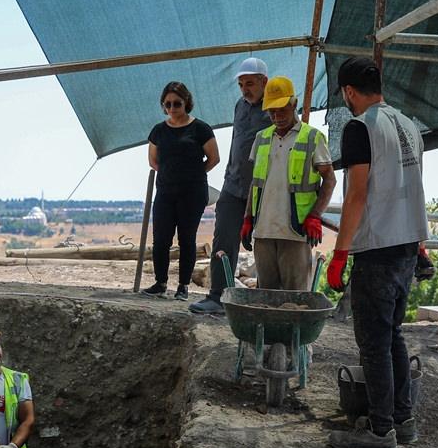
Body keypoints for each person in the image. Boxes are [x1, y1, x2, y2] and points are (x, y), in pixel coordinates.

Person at [325, 57, 429, 448]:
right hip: (406, 247)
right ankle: (402, 420)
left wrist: (340, 253)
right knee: (392, 337)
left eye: (345, 96)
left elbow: (356, 193)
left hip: (378, 248)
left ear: (350, 92)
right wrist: (420, 244)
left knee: (373, 342)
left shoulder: (360, 127)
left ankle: (380, 429)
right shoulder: (408, 124)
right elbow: (413, 186)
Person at [190, 57, 271, 315]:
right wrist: (227, 176)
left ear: (264, 82)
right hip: (233, 186)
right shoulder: (240, 106)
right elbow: (237, 143)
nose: (245, 89)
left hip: (264, 191)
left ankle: (267, 302)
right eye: (241, 84)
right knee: (223, 239)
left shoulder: (276, 109)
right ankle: (219, 297)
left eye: (250, 83)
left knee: (268, 245)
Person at [239, 76, 336, 290]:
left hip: (295, 231)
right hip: (264, 231)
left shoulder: (313, 137)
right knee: (266, 297)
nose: (277, 116)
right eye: (272, 111)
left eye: (282, 109)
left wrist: (315, 216)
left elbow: (329, 178)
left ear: (294, 104)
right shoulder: (262, 138)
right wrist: (248, 218)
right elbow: (256, 184)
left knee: (295, 298)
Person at [143, 81, 220, 300]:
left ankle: (183, 286)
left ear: (186, 102)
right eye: (167, 104)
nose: (172, 108)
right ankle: (160, 283)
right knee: (161, 239)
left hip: (192, 193)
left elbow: (214, 158)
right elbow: (153, 161)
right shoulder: (158, 130)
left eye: (177, 103)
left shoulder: (200, 129)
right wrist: (170, 175)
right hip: (165, 193)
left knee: (187, 239)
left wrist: (194, 174)